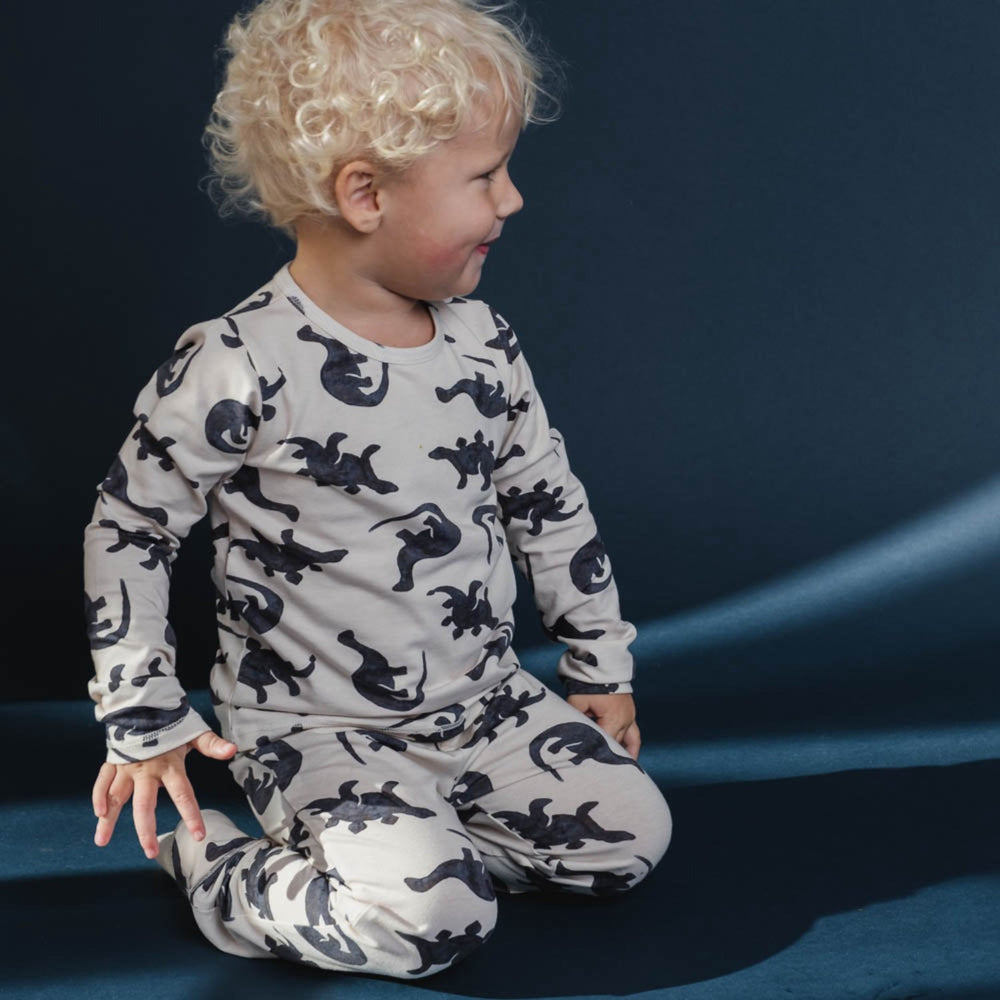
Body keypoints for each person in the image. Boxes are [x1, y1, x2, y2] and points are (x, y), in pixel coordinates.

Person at [84, 0, 671, 978]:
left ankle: (415, 859)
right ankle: (219, 867)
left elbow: (548, 502)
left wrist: (599, 664)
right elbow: (130, 526)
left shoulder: (485, 344)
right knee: (434, 925)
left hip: (484, 704)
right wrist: (141, 709)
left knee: (630, 840)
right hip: (317, 730)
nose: (513, 199)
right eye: (485, 176)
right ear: (365, 195)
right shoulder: (237, 363)